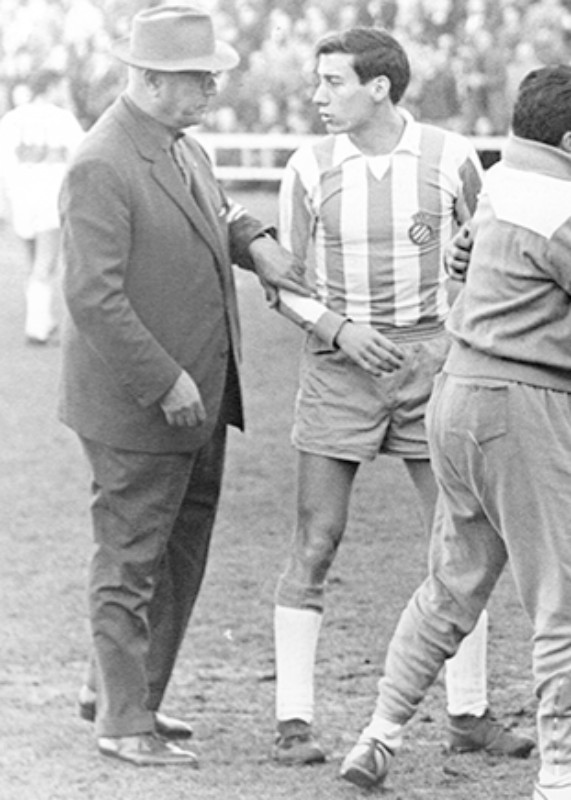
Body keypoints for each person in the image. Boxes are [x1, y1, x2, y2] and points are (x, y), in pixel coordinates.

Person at [271, 26, 534, 765]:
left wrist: (460, 287)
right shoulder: (306, 165)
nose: (317, 96)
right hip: (337, 364)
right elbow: (282, 284)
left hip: (432, 365)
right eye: (317, 81)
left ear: (378, 87)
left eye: (332, 81)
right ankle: (294, 719)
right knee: (315, 540)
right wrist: (340, 330)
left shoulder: (451, 158)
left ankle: (468, 714)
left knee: (461, 543)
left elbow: (488, 248)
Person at [58, 4, 309, 768]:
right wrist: (163, 379)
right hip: (144, 406)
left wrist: (254, 240)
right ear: (152, 80)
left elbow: (216, 212)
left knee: (176, 558)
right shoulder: (101, 162)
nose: (211, 88)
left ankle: (131, 696)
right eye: (199, 77)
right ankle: (121, 722)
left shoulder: (179, 147)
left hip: (199, 398)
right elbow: (93, 296)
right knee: (131, 559)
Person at [340, 65, 571, 800]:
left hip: (458, 394)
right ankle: (559, 774)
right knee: (560, 598)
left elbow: (467, 253)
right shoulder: (560, 209)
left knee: (450, 585)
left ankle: (378, 734)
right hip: (524, 403)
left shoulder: (503, 181)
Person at [0, 70, 84, 344]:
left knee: (34, 263)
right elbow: (83, 157)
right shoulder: (63, 119)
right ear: (51, 87)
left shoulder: (12, 119)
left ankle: (43, 319)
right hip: (51, 198)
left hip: (22, 198)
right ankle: (36, 328)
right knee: (45, 265)